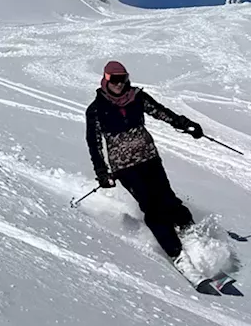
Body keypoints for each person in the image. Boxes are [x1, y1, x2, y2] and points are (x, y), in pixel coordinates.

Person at [85, 60, 204, 263]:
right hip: (124, 167)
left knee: (169, 200)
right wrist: (102, 171)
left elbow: (160, 111)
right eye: (114, 80)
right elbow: (94, 142)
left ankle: (196, 242)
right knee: (152, 207)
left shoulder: (136, 97)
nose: (119, 84)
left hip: (149, 158)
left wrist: (184, 124)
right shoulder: (96, 110)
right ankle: (177, 254)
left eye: (123, 79)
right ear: (105, 80)